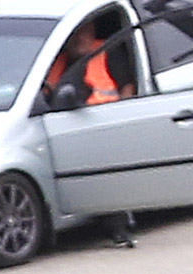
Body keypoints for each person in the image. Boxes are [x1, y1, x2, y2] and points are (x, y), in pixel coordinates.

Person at [44, 22, 139, 247]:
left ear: (93, 30)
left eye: (84, 31)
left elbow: (127, 87)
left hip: (103, 124)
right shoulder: (56, 60)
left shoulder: (108, 52)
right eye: (74, 32)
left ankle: (120, 227)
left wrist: (125, 114)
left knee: (106, 178)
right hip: (64, 126)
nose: (79, 38)